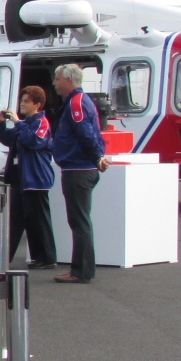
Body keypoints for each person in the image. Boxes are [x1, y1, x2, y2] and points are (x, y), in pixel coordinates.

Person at [0, 85, 57, 269]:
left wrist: (17, 122)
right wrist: (0, 122)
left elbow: (34, 141)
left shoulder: (41, 122)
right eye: (21, 101)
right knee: (16, 219)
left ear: (37, 104)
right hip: (21, 178)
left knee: (38, 220)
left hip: (36, 179)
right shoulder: (25, 125)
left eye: (26, 101)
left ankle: (47, 257)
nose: (22, 104)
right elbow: (6, 137)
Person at [50, 64, 109, 284]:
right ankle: (81, 269)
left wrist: (96, 157)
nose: (54, 83)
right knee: (80, 220)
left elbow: (86, 134)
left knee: (79, 221)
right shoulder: (81, 101)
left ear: (68, 80)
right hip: (79, 167)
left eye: (57, 79)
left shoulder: (76, 103)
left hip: (78, 169)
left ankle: (81, 271)